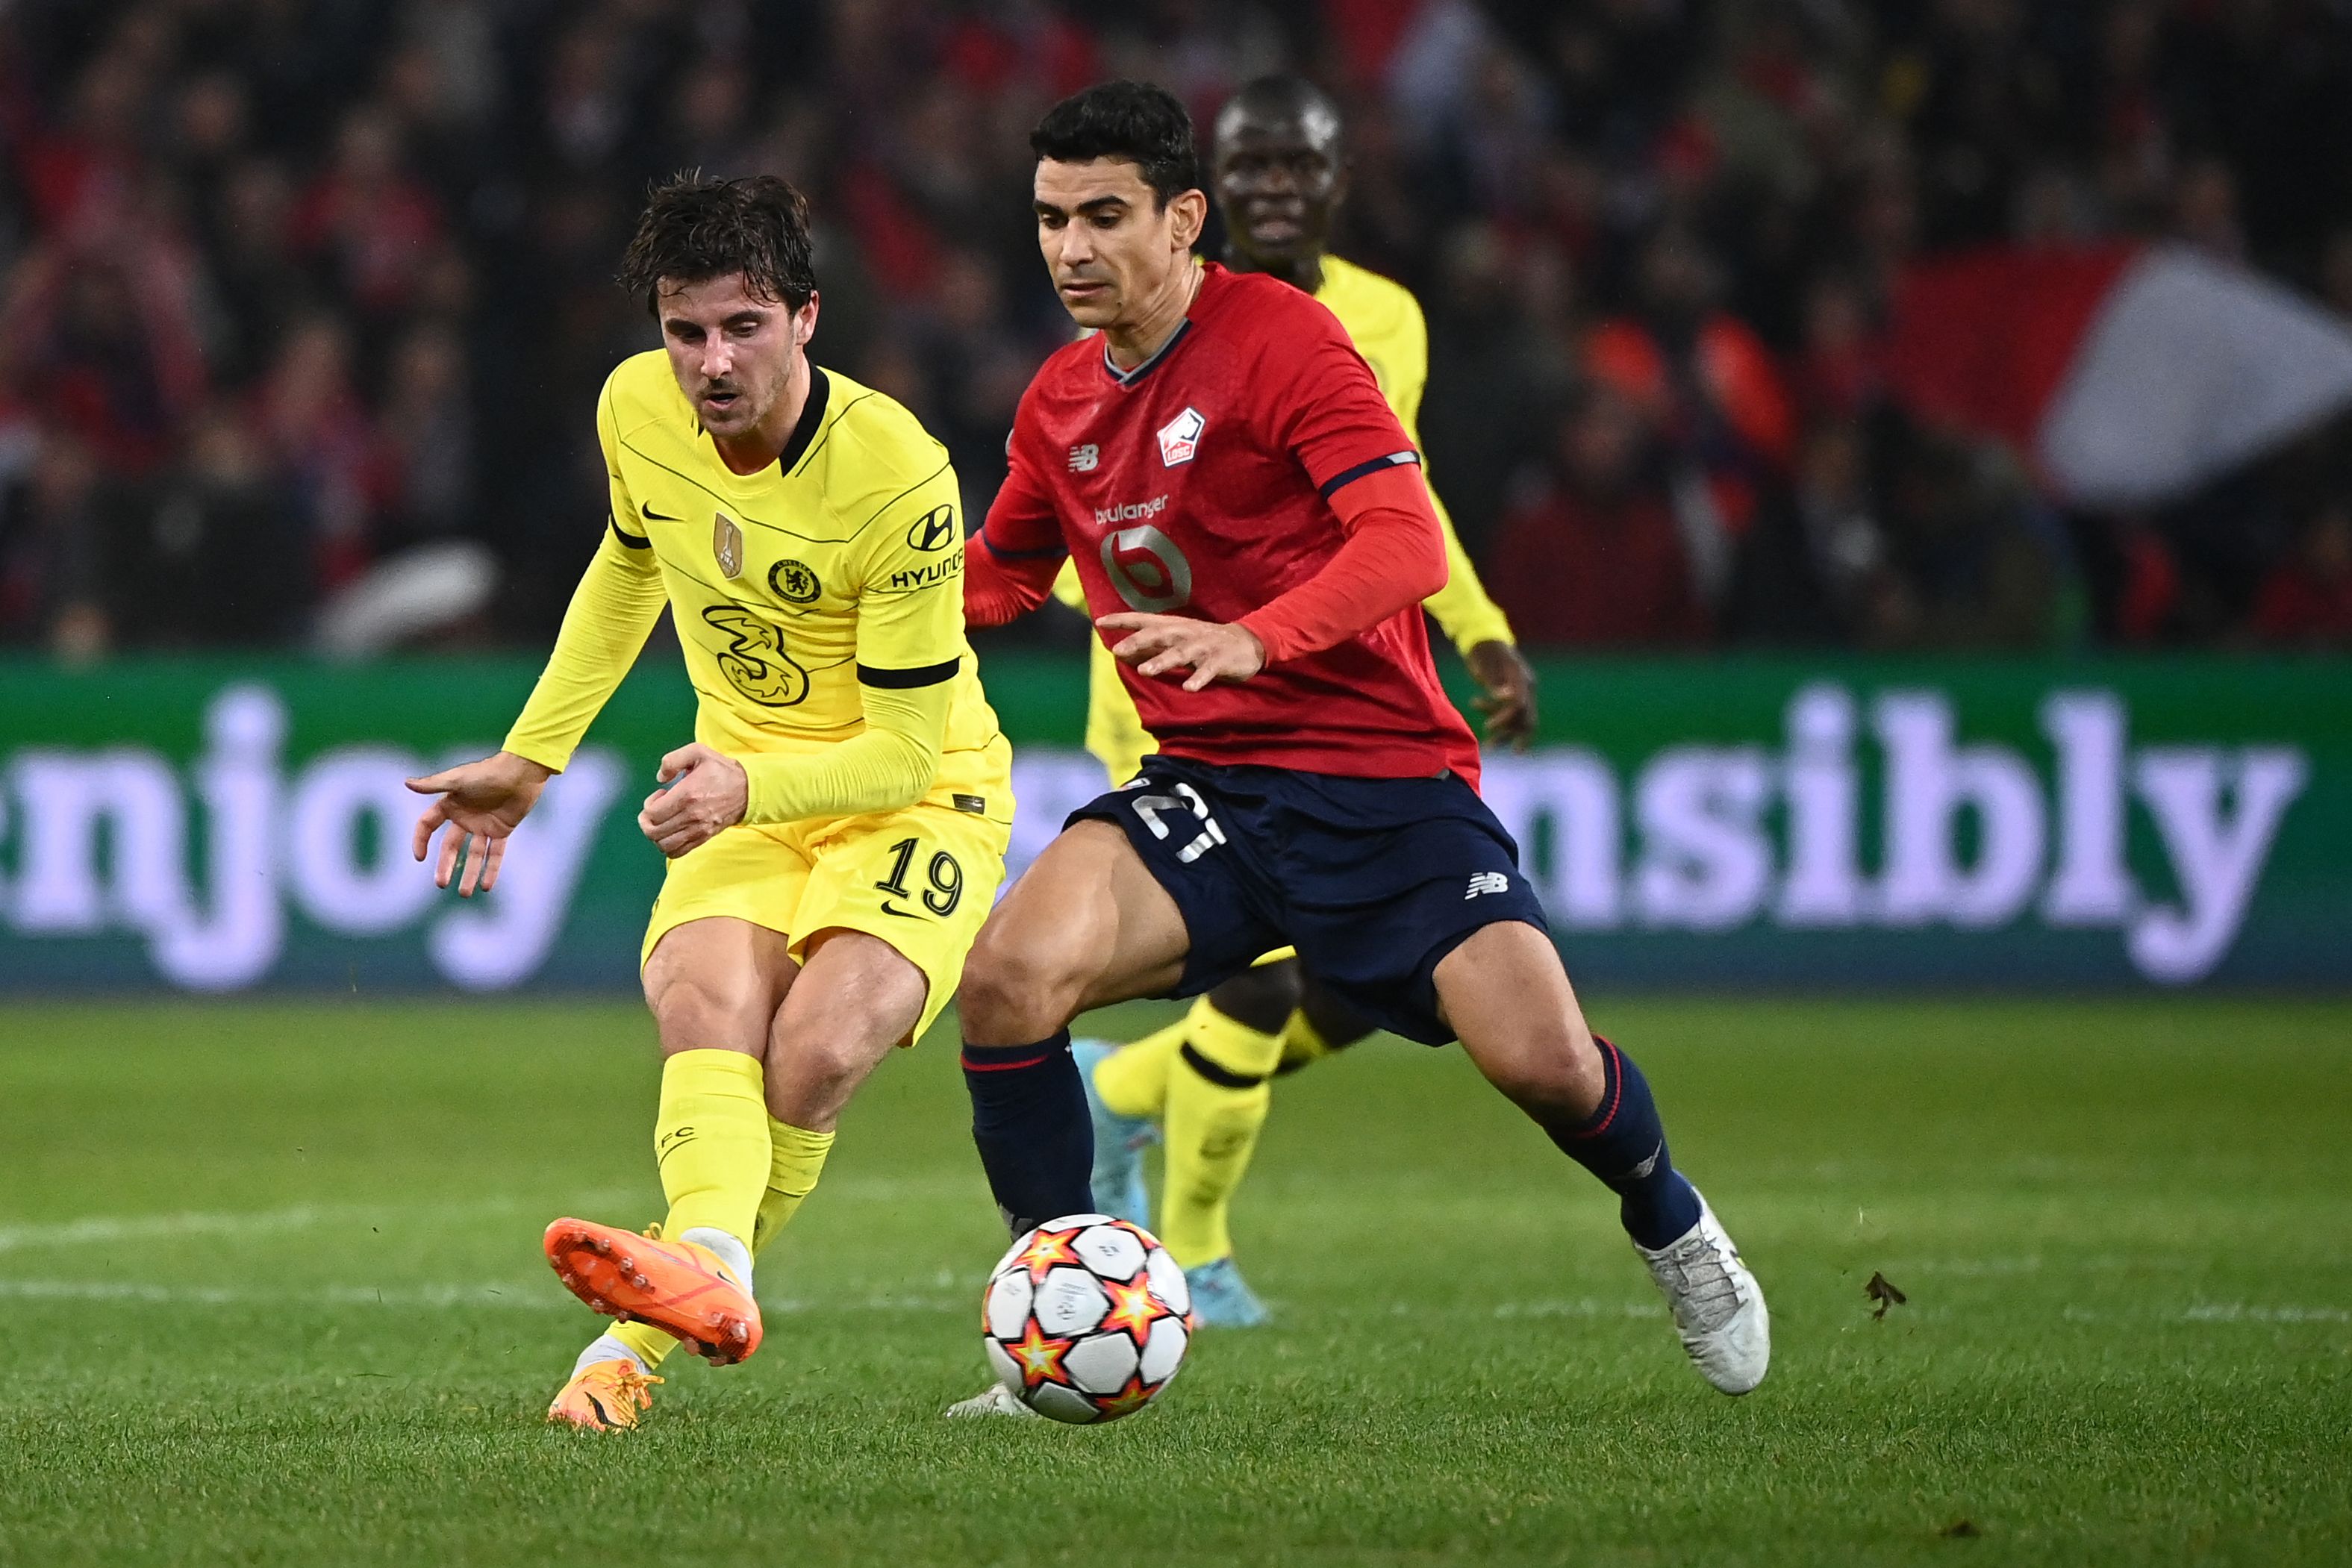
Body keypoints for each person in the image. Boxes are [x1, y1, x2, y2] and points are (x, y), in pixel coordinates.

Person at [946, 81, 1766, 1419]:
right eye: (1050, 219)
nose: (1071, 249)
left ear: (1184, 219)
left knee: (1544, 1063)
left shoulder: (1286, 340)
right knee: (1009, 981)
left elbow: (1405, 544)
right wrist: (864, 575)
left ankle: (1672, 1220)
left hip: (1380, 781)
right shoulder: (1060, 402)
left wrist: (1255, 640)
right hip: (1209, 792)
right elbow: (1000, 579)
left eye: (1105, 216)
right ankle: (1054, 1326)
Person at [405, 174, 1011, 1431]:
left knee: (819, 1051)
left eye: (742, 326)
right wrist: (533, 757)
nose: (710, 361)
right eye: (685, 331)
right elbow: (630, 563)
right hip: (744, 785)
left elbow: (902, 746)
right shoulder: (636, 409)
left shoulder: (898, 476)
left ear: (806, 315)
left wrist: (748, 781)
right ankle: (706, 1296)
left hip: (916, 797)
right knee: (701, 1005)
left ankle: (647, 1329)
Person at [1055, 75, 1539, 1328]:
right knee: (1262, 977)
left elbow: (1399, 503)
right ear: (1208, 192)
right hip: (1178, 702)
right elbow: (1077, 497)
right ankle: (1195, 1249)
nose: (1276, 186)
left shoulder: (1387, 319)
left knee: (1374, 981)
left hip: (1335, 691)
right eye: (1253, 164)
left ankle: (1124, 1096)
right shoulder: (1146, 312)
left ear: (1336, 180)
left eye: (1298, 164)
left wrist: (1476, 633)